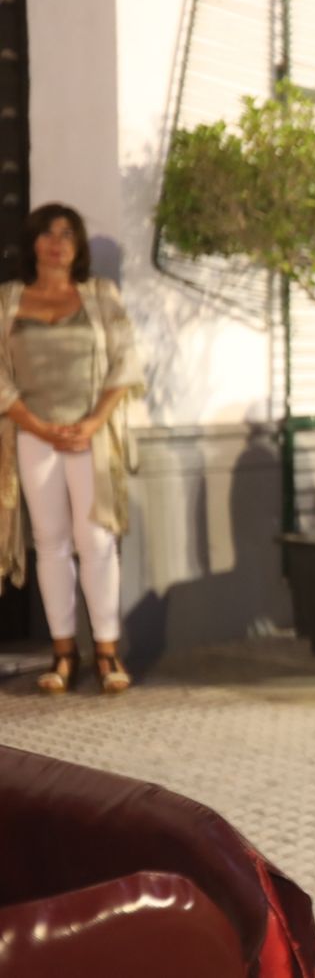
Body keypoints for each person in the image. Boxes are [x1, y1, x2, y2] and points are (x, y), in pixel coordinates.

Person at [0, 204, 144, 695]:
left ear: (78, 246)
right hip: (32, 435)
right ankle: (64, 653)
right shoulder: (8, 300)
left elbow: (125, 361)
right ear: (32, 243)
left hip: (90, 435)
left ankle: (107, 651)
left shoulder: (101, 297)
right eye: (47, 233)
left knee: (97, 541)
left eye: (67, 234)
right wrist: (35, 424)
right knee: (51, 544)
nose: (56, 242)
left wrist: (94, 421)